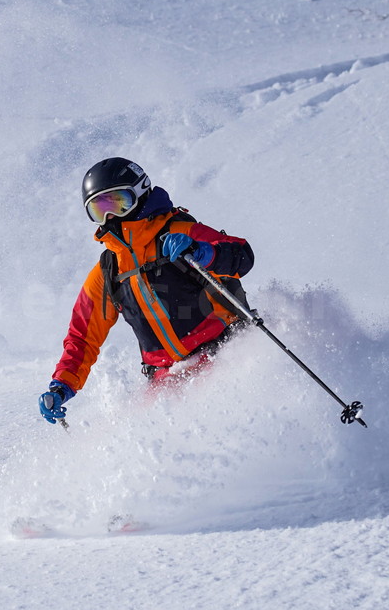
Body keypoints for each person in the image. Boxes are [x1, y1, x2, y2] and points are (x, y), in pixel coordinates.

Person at [39, 157, 255, 425]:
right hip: (166, 379)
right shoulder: (108, 271)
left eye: (118, 203)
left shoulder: (180, 232)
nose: (110, 216)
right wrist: (62, 384)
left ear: (140, 193)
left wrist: (203, 252)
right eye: (100, 209)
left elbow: (242, 256)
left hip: (223, 353)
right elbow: (83, 336)